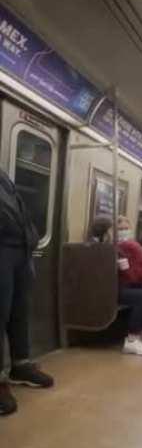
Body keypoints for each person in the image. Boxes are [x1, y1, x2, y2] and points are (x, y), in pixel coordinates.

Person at [0, 169, 54, 417]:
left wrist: (30, 238)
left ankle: (20, 365)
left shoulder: (4, 177)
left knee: (19, 312)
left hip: (20, 251)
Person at [92, 215, 142, 356]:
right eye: (114, 229)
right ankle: (131, 340)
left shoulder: (112, 248)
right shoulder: (105, 249)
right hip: (107, 290)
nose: (117, 232)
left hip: (113, 286)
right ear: (106, 232)